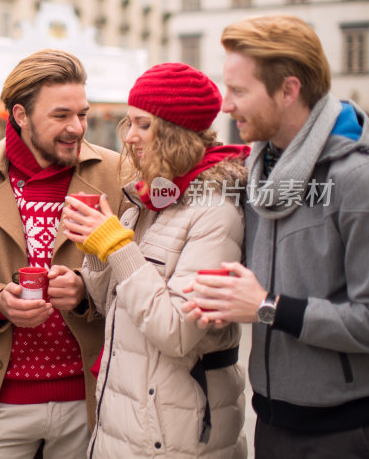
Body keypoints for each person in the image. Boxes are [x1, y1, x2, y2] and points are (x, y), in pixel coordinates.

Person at [184, 15, 369, 458]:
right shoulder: (261, 170)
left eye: (239, 91)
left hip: (343, 432)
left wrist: (269, 308)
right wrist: (224, 299)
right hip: (271, 420)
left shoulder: (357, 178)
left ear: (289, 90)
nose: (225, 106)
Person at [63, 63, 249, 458]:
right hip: (126, 424)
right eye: (129, 123)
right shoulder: (148, 202)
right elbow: (108, 305)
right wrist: (94, 249)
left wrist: (116, 246)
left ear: (176, 132)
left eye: (143, 125)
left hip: (176, 435)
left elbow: (175, 332)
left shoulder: (214, 212)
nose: (129, 137)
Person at [0, 48, 123, 459]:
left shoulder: (116, 173)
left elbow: (137, 272)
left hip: (90, 396)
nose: (77, 127)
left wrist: (84, 290)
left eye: (82, 114)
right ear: (21, 115)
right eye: (61, 115)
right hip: (2, 397)